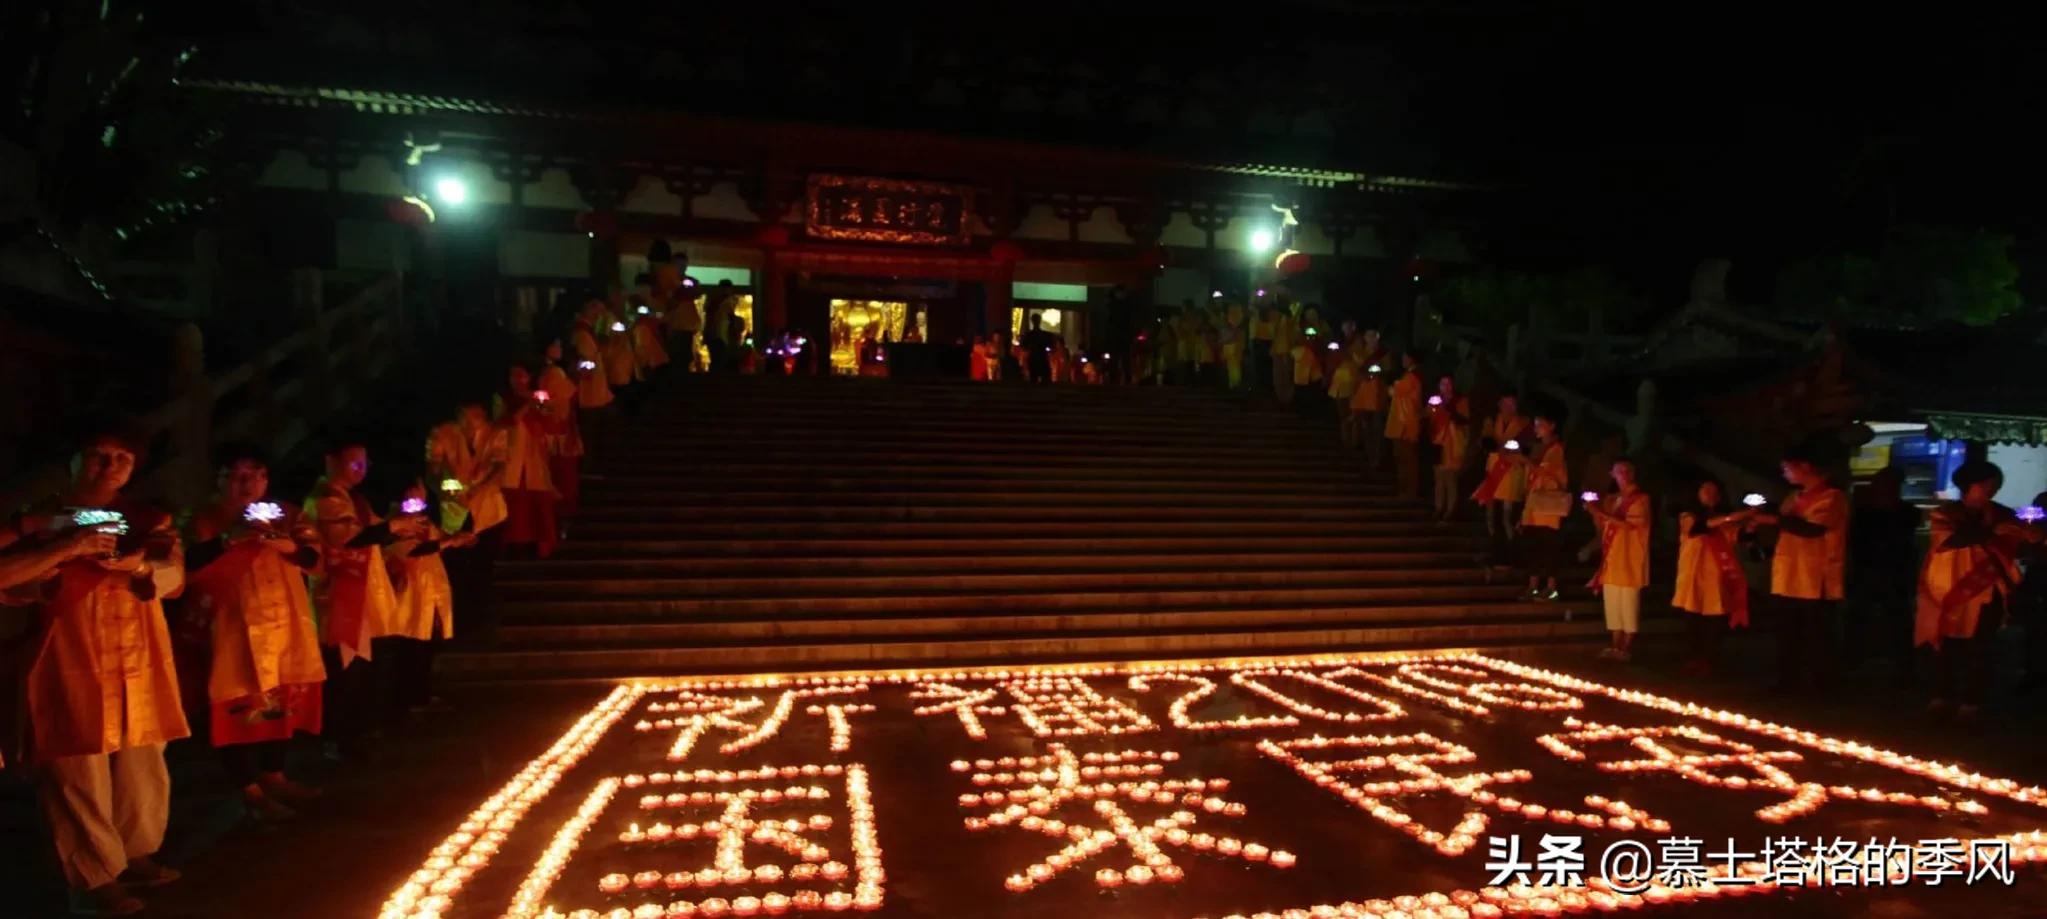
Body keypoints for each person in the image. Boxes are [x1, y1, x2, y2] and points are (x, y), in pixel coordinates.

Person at [15, 431, 188, 916]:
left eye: (122, 458)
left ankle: (137, 849)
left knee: (143, 753)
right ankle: (95, 875)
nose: (109, 466)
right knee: (77, 762)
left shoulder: (147, 518)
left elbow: (173, 576)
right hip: (69, 649)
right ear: (73, 459)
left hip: (138, 649)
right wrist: (65, 550)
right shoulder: (37, 519)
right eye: (97, 456)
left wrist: (139, 569)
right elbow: (16, 578)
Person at [181, 445, 328, 823]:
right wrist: (232, 538)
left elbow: (316, 559)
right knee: (235, 701)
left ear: (267, 479)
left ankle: (275, 773)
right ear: (220, 480)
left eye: (255, 474)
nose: (247, 483)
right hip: (230, 624)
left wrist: (288, 545)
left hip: (285, 625)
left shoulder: (288, 515)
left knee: (282, 695)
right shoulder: (204, 519)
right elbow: (186, 566)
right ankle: (247, 787)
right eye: (237, 475)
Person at [304, 441, 411, 758]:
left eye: (364, 464)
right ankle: (339, 737)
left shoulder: (357, 500)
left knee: (365, 668)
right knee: (345, 670)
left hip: (368, 595)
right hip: (342, 595)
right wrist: (392, 526)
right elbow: (348, 538)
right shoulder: (325, 499)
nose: (360, 471)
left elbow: (379, 532)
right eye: (353, 463)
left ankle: (362, 730)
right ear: (330, 460)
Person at [1915, 461, 2044, 720]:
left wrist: (2033, 538)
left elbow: (2021, 547)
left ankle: (1972, 700)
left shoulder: (2005, 515)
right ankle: (1942, 695)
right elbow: (1949, 540)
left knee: (1980, 645)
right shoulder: (1947, 513)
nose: (1992, 488)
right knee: (1947, 644)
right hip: (1951, 587)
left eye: (1995, 483)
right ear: (1968, 485)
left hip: (1988, 588)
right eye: (1986, 483)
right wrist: (1990, 532)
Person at [1748, 446, 1849, 694]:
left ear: (1805, 466)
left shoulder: (1832, 497)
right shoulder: (1793, 497)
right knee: (1786, 632)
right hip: (1788, 575)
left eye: (1787, 468)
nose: (1784, 474)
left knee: (1817, 634)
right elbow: (1784, 527)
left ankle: (1822, 684)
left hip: (1816, 578)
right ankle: (1787, 680)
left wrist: (1774, 520)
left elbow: (1813, 529)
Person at [385, 481, 467, 715]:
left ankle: (420, 694)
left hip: (431, 590)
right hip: (409, 592)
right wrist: (446, 541)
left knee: (426, 647)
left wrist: (457, 539)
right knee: (410, 647)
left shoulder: (426, 521)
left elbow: (437, 542)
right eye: (413, 493)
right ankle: (406, 698)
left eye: (421, 495)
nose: (417, 499)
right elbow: (410, 550)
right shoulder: (396, 523)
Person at [1671, 478, 1757, 675]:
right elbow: (1699, 529)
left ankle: (1709, 659)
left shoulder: (1725, 520)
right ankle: (1693, 658)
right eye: (1705, 490)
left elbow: (1738, 537)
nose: (1710, 494)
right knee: (1692, 619)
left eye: (1714, 491)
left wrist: (1750, 527)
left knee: (1714, 619)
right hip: (1693, 574)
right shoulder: (1689, 516)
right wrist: (1732, 518)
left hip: (1716, 576)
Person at [1846, 466, 1921, 682]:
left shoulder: (1905, 512)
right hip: (1870, 571)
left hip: (1890, 573)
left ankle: (1903, 666)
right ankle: (1856, 659)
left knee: (1897, 621)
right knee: (1862, 618)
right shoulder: (1865, 513)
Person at [1585, 459, 1651, 661]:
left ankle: (1626, 645)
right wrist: (1594, 511)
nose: (1622, 474)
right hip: (1612, 557)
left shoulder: (1641, 499)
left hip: (1630, 557)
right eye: (1618, 471)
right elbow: (1602, 526)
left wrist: (1600, 513)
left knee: (1628, 603)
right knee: (1612, 603)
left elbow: (1630, 525)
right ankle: (1614, 643)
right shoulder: (1612, 499)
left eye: (1626, 471)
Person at [494, 363, 559, 559]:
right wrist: (526, 406)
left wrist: (543, 410)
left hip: (533, 456)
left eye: (521, 376)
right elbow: (504, 422)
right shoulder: (503, 399)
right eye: (514, 376)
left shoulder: (537, 396)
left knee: (536, 502)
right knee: (513, 504)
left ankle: (537, 546)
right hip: (511, 456)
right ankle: (511, 547)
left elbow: (550, 423)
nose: (518, 380)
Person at [1518, 412, 1569, 601]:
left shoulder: (1556, 449)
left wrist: (1527, 462)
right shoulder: (1539, 448)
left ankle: (1551, 587)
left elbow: (1547, 472)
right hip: (1534, 507)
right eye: (1536, 424)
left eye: (1541, 424)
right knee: (1534, 547)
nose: (1537, 428)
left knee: (1548, 547)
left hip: (1549, 509)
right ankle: (1532, 586)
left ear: (1552, 426)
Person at [536, 340, 584, 522]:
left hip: (557, 430)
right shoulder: (553, 373)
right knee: (561, 478)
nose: (559, 349)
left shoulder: (553, 372)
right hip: (555, 433)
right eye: (555, 345)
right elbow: (557, 403)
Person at [1472, 396, 1532, 542]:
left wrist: (1511, 449)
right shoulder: (1492, 421)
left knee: (1507, 514)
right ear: (1499, 405)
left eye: (1512, 404)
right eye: (1505, 404)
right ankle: (1493, 538)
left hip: (1511, 470)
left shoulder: (1523, 424)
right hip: (1494, 468)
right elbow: (1485, 442)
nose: (1508, 407)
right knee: (1490, 509)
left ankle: (1510, 544)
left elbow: (1526, 447)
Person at [1426, 375, 1470, 523]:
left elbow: (1464, 420)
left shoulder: (1460, 402)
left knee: (1451, 478)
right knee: (1439, 478)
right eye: (1443, 384)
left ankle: (1451, 509)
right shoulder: (1435, 400)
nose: (1446, 387)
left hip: (1453, 442)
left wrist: (1447, 411)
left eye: (1449, 384)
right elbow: (1428, 418)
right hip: (1438, 442)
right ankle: (1439, 507)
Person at [1385, 353, 1425, 499]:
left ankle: (1409, 491)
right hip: (1403, 423)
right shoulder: (1412, 376)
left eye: (1405, 358)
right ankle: (1406, 489)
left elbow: (1393, 391)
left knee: (1407, 459)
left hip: (1405, 424)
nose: (1403, 360)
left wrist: (1390, 386)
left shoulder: (1411, 377)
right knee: (1403, 459)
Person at [1349, 331, 1390, 470]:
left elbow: (1388, 373)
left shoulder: (1384, 355)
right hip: (1364, 398)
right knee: (1366, 429)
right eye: (1369, 337)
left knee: (1378, 430)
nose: (1372, 340)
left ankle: (1377, 458)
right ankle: (1368, 455)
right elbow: (1355, 373)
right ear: (1365, 339)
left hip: (1378, 399)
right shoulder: (1360, 353)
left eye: (1374, 337)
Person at [704, 280, 739, 373]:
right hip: (719, 335)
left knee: (718, 360)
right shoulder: (725, 301)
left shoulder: (714, 301)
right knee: (719, 360)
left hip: (717, 335)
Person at [1020, 314, 1059, 384]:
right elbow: (1053, 346)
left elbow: (1023, 346)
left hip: (1035, 358)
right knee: (1043, 380)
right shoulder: (1044, 335)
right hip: (1040, 358)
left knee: (1035, 379)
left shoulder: (1029, 335)